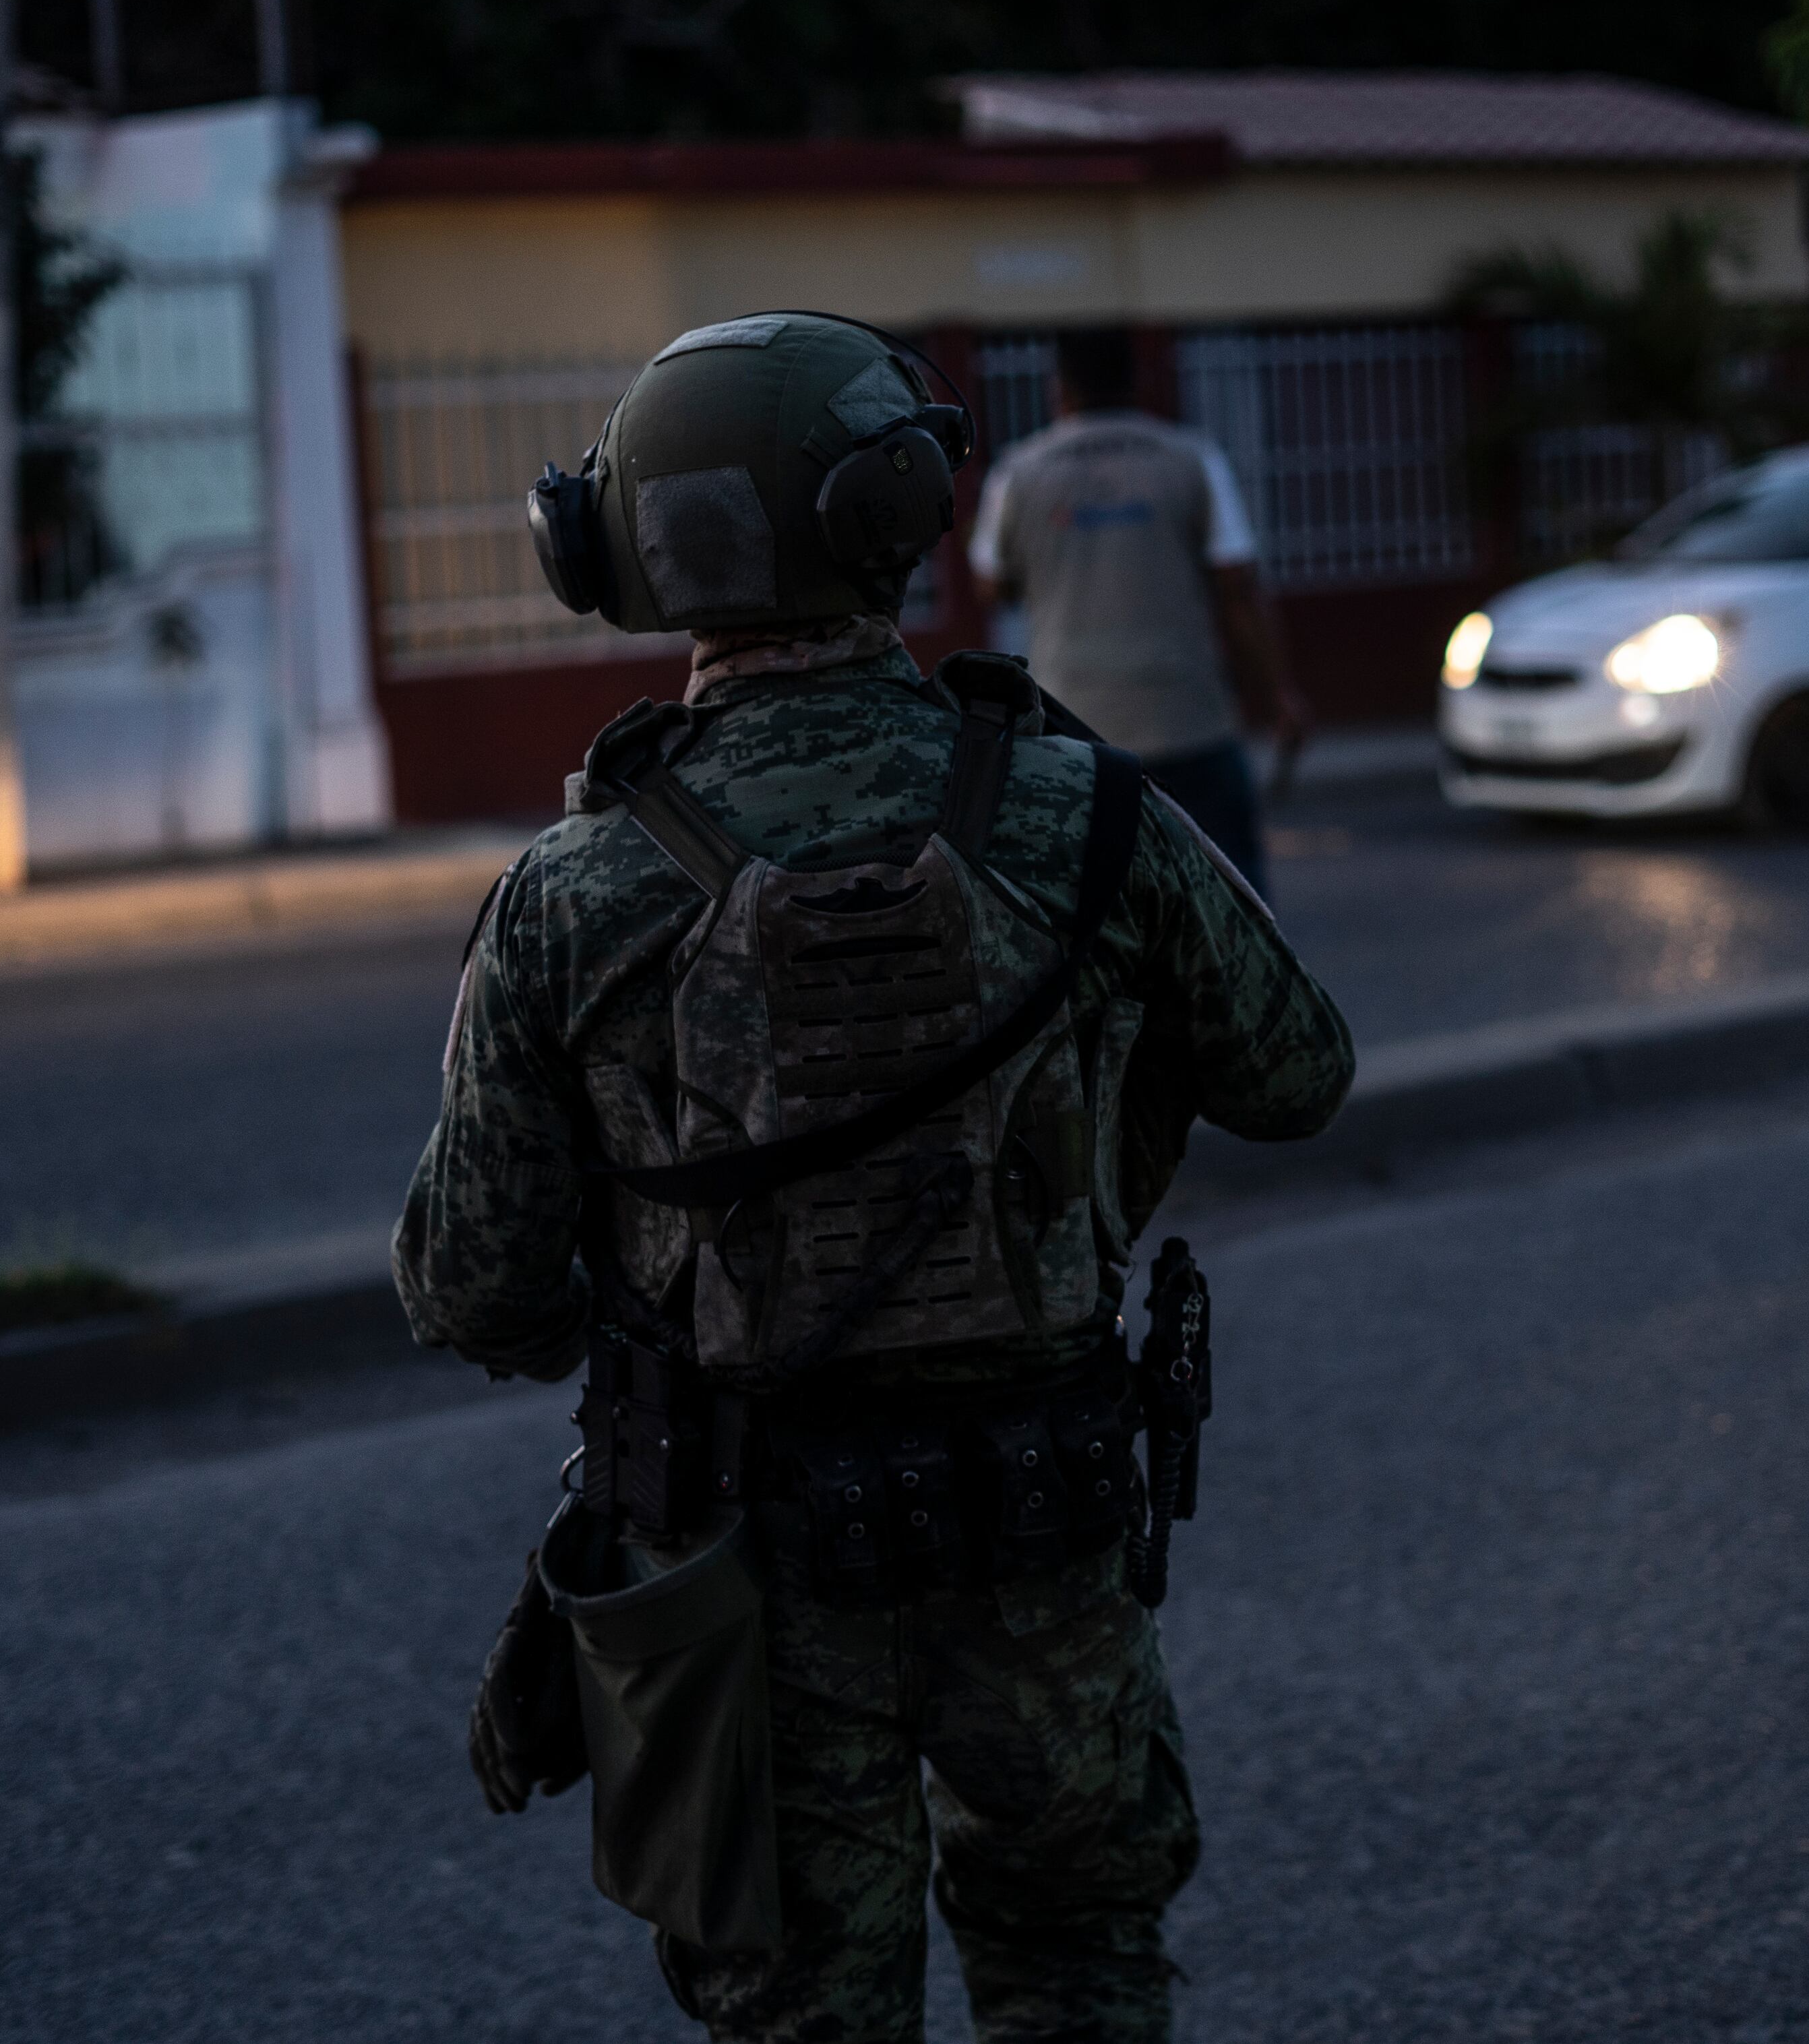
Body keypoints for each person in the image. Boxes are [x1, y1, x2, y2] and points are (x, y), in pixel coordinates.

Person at [394, 311, 1353, 2043]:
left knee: (802, 2013)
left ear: (616, 552)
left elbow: (472, 1287)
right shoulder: (1083, 810)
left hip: (746, 1569)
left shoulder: (573, 889)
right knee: (1075, 1965)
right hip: (1044, 1540)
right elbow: (1298, 1075)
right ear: (899, 514)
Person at [967, 327, 1312, 896]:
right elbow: (1239, 591)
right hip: (1188, 720)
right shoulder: (1191, 459)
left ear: (1062, 387)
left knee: (1084, 898)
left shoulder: (1017, 473)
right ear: (1137, 381)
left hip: (1070, 730)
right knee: (1230, 890)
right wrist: (1279, 694)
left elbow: (991, 585)